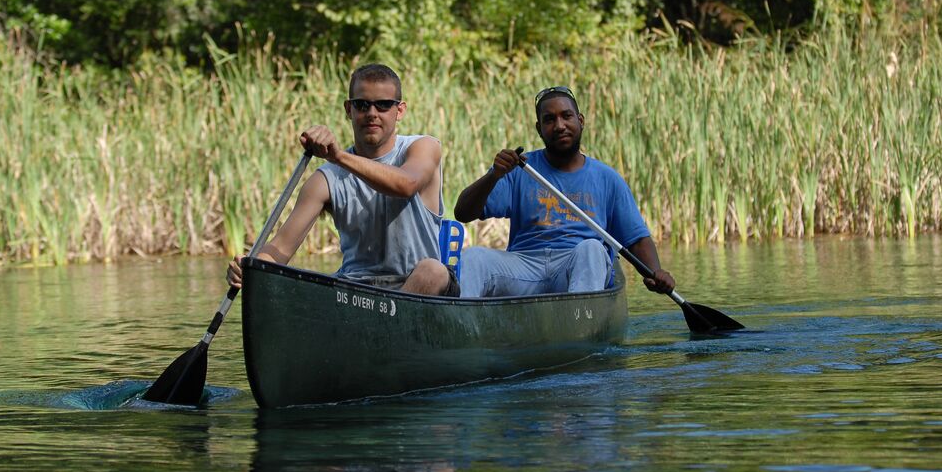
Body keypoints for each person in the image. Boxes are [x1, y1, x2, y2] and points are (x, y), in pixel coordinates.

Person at [227, 63, 458, 296]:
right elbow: (281, 248)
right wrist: (250, 267)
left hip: (419, 287)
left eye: (384, 105)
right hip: (354, 292)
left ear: (399, 111)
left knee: (434, 271)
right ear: (349, 109)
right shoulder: (325, 179)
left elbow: (406, 184)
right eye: (362, 105)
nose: (372, 113)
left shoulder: (423, 147)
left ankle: (384, 328)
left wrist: (338, 156)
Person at [453, 85, 675, 298]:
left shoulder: (607, 178)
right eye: (549, 120)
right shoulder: (517, 168)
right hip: (524, 266)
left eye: (566, 116)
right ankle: (462, 329)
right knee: (474, 257)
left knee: (592, 249)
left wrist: (655, 272)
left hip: (576, 265)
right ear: (539, 129)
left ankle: (582, 330)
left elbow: (636, 239)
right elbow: (462, 213)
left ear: (580, 121)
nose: (559, 126)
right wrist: (494, 175)